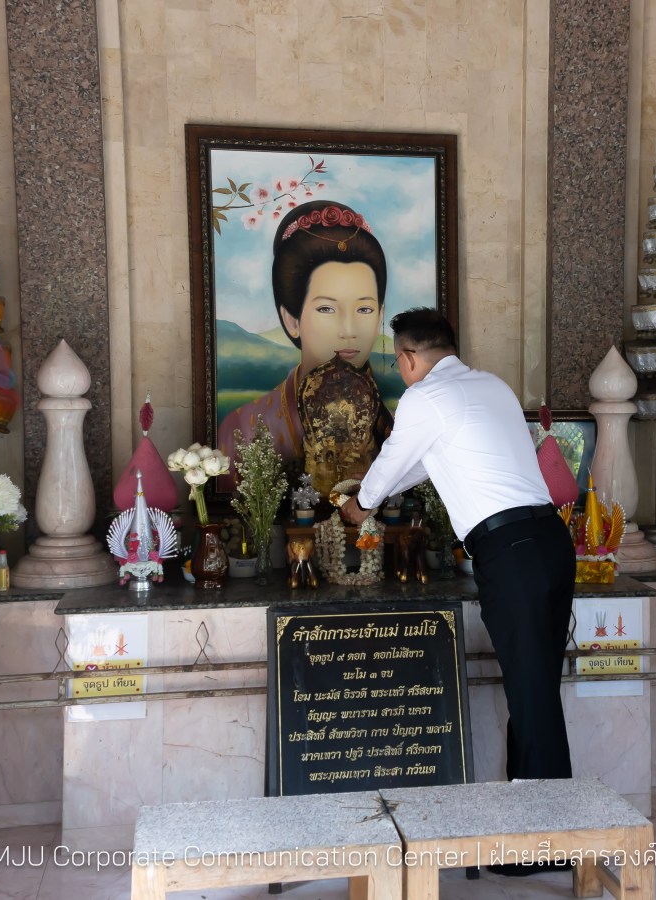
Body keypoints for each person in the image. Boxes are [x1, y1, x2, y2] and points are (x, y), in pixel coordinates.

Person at [341, 309, 577, 874]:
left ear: (407, 358)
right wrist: (375, 495)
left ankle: (548, 841)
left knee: (531, 690)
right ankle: (541, 831)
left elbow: (395, 461)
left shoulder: (424, 399)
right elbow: (424, 464)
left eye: (397, 361)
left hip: (511, 553)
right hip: (549, 540)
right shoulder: (489, 386)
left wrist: (359, 507)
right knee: (536, 684)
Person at [215, 199, 393, 487]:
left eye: (364, 309)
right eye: (326, 309)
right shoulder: (242, 428)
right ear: (291, 319)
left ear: (380, 315)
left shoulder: (401, 425)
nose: (348, 330)